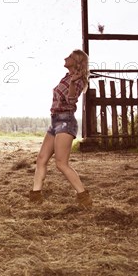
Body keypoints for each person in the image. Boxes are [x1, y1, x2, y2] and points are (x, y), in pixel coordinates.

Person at [29, 49, 92, 208]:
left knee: (61, 163)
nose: (65, 57)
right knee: (41, 159)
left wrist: (72, 82)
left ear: (77, 61)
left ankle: (83, 197)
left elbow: (71, 100)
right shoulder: (67, 77)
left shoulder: (77, 80)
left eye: (70, 56)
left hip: (66, 121)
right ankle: (36, 197)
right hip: (55, 121)